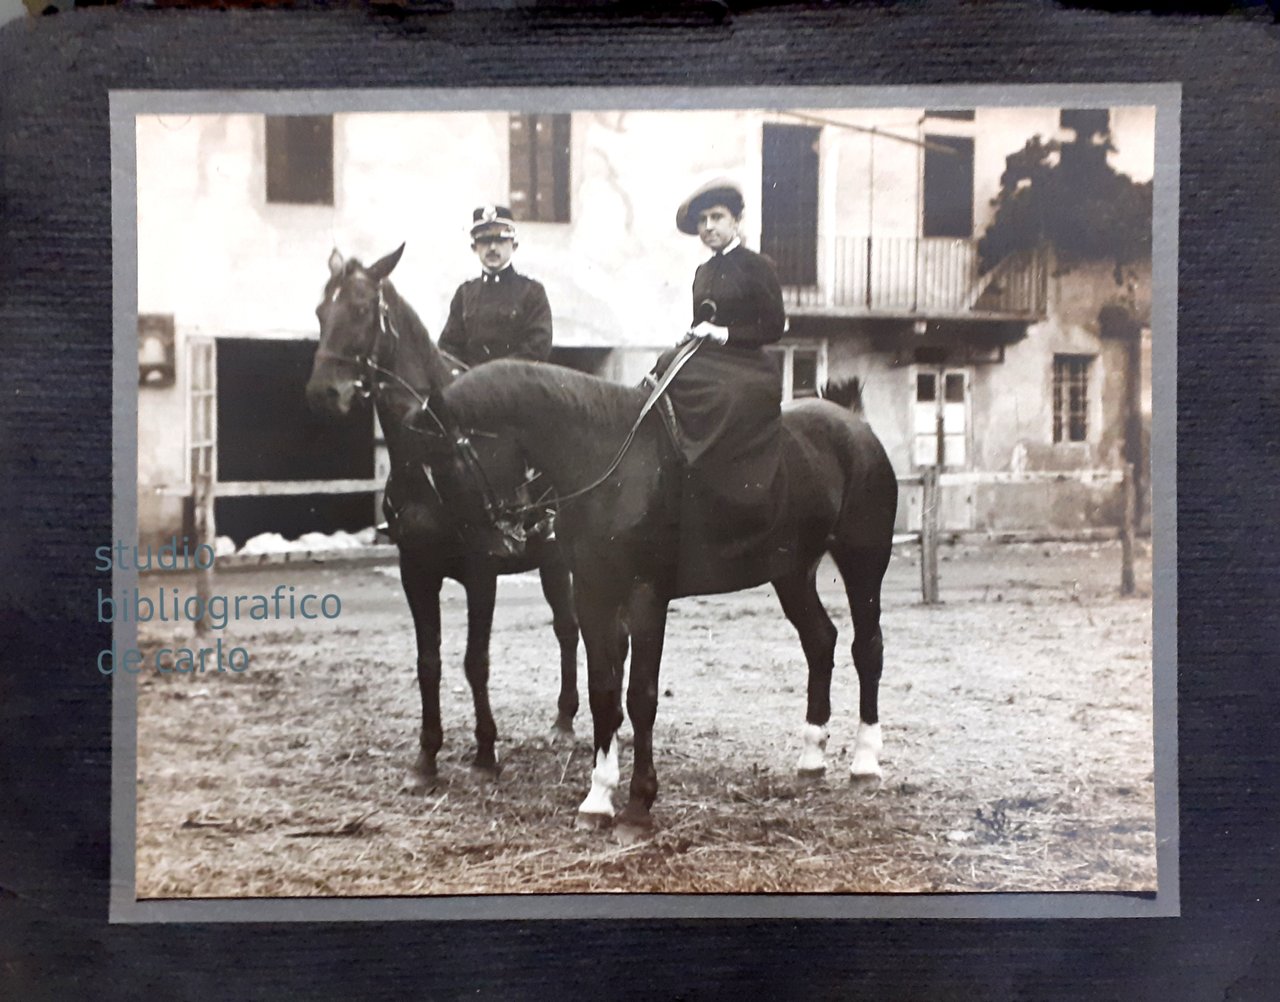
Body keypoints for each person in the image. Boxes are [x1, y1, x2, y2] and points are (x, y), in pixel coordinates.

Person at [658, 178, 791, 596]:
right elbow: (704, 320)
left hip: (749, 365)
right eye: (702, 221)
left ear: (737, 221)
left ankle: (720, 481)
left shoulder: (757, 266)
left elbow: (773, 327)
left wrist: (726, 334)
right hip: (712, 359)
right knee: (663, 372)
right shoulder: (702, 271)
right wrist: (693, 336)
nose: (708, 227)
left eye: (716, 218)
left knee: (723, 398)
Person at [438, 205, 553, 367]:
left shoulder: (532, 292)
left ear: (514, 245)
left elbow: (537, 348)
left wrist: (494, 376)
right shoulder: (464, 294)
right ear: (474, 247)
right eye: (484, 241)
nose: (492, 248)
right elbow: (448, 348)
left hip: (516, 386)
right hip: (470, 387)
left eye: (500, 240)